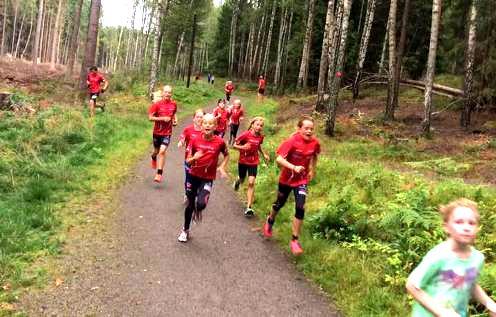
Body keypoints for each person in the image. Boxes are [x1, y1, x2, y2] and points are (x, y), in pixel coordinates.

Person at [406, 198, 496, 317]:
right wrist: (442, 313)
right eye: (459, 222)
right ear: (446, 227)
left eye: (472, 223)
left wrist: (489, 303)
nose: (466, 227)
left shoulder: (477, 258)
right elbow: (411, 285)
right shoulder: (439, 255)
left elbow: (469, 283)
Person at [263, 115, 320, 256]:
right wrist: (293, 167)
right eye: (306, 128)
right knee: (279, 204)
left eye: (311, 129)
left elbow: (315, 155)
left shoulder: (315, 143)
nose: (309, 131)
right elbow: (279, 159)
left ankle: (294, 240)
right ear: (299, 128)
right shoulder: (291, 141)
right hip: (286, 179)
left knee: (300, 206)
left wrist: (313, 169)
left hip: (301, 180)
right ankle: (270, 220)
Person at [178, 113, 229, 242]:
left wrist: (222, 166)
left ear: (215, 126)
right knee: (190, 205)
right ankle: (185, 230)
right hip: (192, 175)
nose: (208, 125)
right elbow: (188, 161)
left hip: (207, 178)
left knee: (201, 204)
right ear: (201, 125)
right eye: (205, 123)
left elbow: (227, 154)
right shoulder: (195, 140)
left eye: (211, 123)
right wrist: (195, 157)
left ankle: (198, 210)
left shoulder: (219, 142)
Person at [232, 117, 270, 217]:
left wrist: (263, 154)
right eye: (257, 125)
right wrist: (243, 147)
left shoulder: (260, 137)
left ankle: (249, 207)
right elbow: (234, 145)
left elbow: (258, 146)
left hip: (254, 162)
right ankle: (238, 181)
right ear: (252, 125)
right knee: (242, 178)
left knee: (251, 182)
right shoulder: (245, 135)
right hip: (243, 161)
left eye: (261, 126)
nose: (259, 127)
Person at [148, 85, 178, 183]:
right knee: (156, 151)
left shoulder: (174, 104)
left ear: (171, 94)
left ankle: (159, 173)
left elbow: (174, 114)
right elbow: (150, 118)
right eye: (166, 92)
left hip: (167, 133)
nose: (167, 94)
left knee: (162, 151)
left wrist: (175, 121)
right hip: (157, 132)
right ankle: (153, 157)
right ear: (162, 93)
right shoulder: (157, 104)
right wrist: (162, 118)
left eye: (169, 92)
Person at [178, 109, 205, 202]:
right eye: (197, 117)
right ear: (193, 118)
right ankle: (187, 193)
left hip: (201, 161)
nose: (199, 119)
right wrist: (181, 142)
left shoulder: (206, 132)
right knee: (189, 179)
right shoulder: (188, 129)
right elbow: (183, 137)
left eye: (201, 117)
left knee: (199, 180)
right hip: (189, 160)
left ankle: (196, 192)